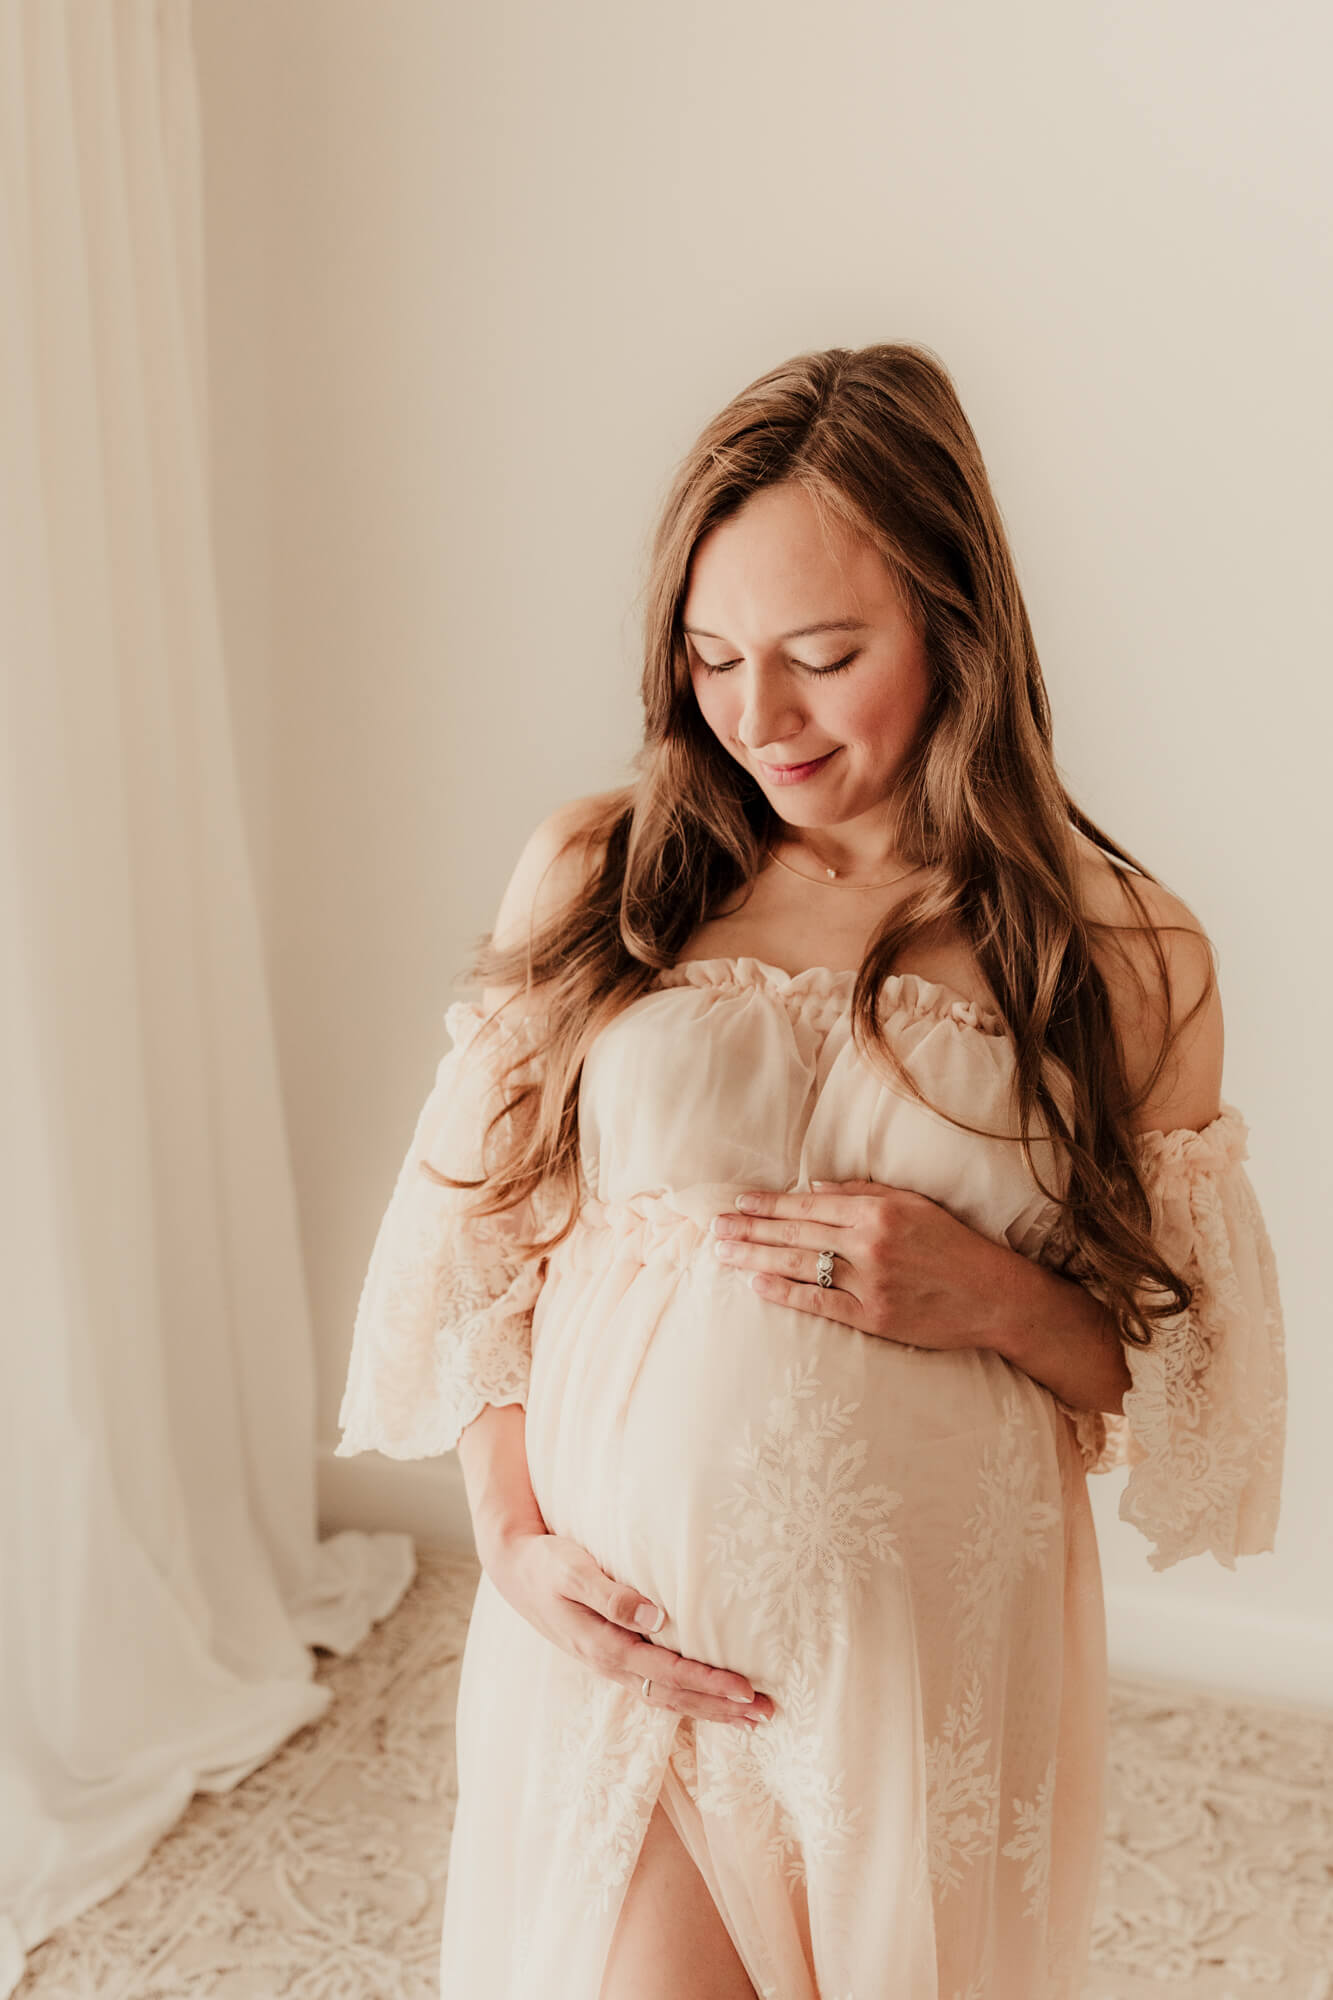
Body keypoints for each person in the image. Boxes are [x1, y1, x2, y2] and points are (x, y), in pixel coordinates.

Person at [335, 343, 1288, 2000]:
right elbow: (481, 1273)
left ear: (953, 627)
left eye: (821, 656)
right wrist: (510, 1540)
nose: (755, 718)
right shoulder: (601, 872)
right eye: (710, 659)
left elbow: (1182, 1389)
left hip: (914, 1667)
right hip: (617, 1639)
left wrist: (987, 1295)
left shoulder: (1123, 951)